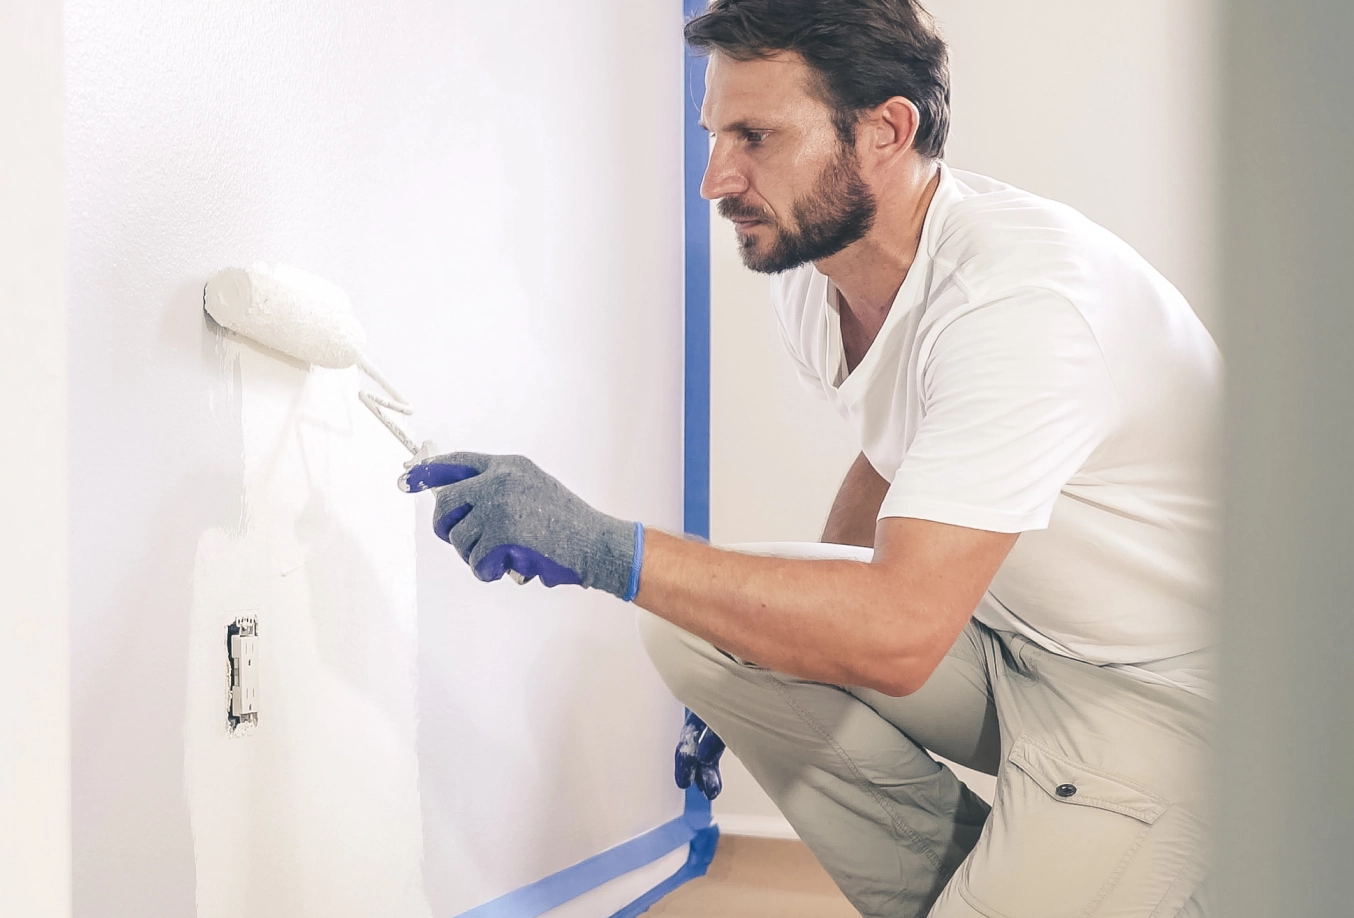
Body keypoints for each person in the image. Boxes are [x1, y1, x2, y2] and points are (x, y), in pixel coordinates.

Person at [402, 0, 1219, 914]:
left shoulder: (1020, 303)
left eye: (755, 136)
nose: (716, 180)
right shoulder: (821, 270)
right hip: (1008, 641)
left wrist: (603, 547)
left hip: (1164, 698)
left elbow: (900, 633)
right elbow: (898, 449)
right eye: (715, 135)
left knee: (713, 598)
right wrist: (771, 661)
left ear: (885, 131)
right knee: (696, 628)